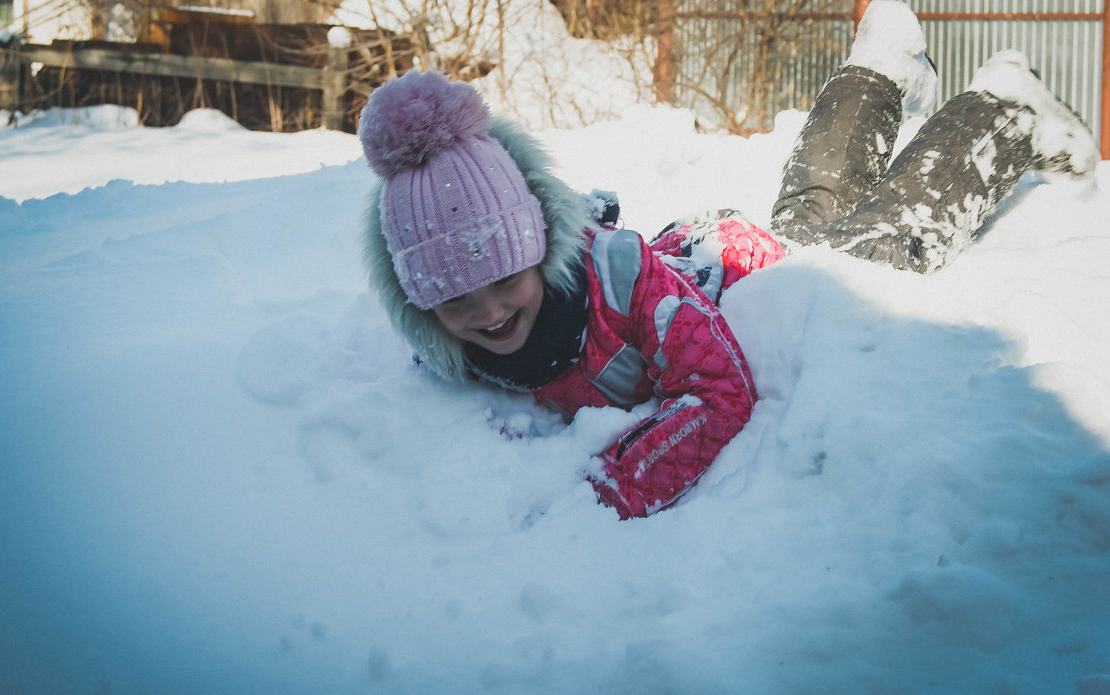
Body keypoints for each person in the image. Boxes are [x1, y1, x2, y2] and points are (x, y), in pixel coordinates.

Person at [357, 0, 1099, 519]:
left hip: (743, 277)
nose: (486, 313)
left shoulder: (615, 282)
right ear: (419, 306)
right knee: (812, 206)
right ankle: (880, 67)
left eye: (504, 281)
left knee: (890, 241)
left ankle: (1004, 110)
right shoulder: (450, 347)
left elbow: (719, 393)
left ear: (539, 248)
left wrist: (609, 488)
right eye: (455, 302)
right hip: (711, 250)